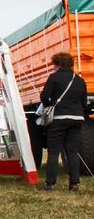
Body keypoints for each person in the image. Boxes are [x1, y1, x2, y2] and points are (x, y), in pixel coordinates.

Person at [40, 51, 88, 191]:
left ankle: (50, 183)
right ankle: (74, 183)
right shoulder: (79, 80)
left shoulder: (54, 77)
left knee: (54, 151)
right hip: (77, 118)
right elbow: (83, 102)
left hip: (59, 117)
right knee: (72, 151)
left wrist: (50, 106)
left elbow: (44, 96)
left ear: (58, 64)